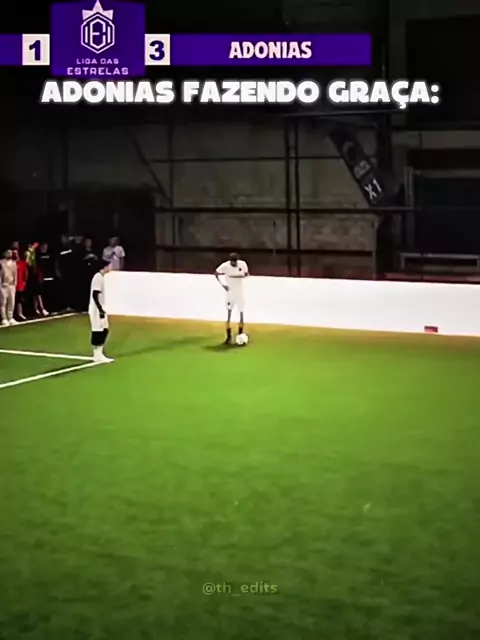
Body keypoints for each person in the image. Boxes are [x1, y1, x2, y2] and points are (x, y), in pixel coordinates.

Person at [215, 252, 249, 344]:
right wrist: (223, 285)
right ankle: (228, 337)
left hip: (240, 293)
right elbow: (216, 273)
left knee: (241, 313)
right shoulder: (225, 266)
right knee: (229, 314)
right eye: (233, 262)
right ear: (230, 261)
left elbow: (246, 274)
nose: (235, 263)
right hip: (230, 293)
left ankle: (240, 335)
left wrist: (236, 276)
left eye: (235, 261)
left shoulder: (242, 264)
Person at [89, 260, 113, 363]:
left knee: (104, 329)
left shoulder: (101, 277)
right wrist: (100, 309)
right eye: (109, 265)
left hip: (100, 308)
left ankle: (99, 353)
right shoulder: (98, 277)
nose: (110, 267)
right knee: (98, 330)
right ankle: (97, 355)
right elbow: (95, 294)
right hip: (96, 309)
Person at [0, 249, 18, 326]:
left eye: (10, 252)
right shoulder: (1, 263)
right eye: (8, 252)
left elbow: (15, 274)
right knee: (3, 302)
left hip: (11, 285)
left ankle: (10, 317)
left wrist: (15, 284)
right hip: (3, 285)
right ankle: (4, 318)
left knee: (11, 302)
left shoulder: (14, 263)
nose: (9, 254)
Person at [82, 237, 99, 311]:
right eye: (87, 242)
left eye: (90, 242)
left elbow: (97, 259)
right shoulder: (82, 251)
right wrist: (87, 257)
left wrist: (94, 257)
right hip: (85, 273)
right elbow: (80, 261)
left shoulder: (94, 251)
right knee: (86, 289)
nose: (89, 243)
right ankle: (85, 306)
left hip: (93, 272)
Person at [15, 251, 29, 320]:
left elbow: (25, 275)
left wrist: (23, 283)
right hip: (12, 285)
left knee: (19, 300)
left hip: (20, 285)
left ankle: (20, 313)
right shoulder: (13, 263)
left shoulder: (23, 264)